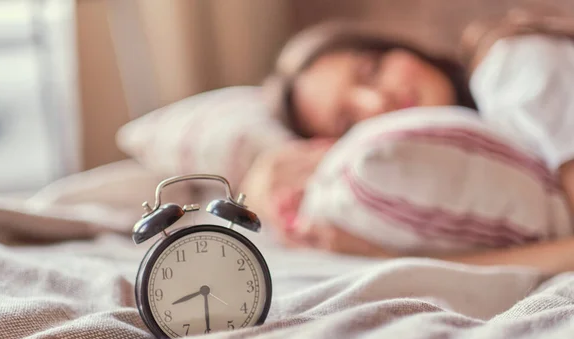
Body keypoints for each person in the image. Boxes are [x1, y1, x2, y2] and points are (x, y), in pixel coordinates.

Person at [239, 7, 574, 275]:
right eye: (348, 121)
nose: (376, 102)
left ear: (394, 46)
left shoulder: (509, 69)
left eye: (370, 71)